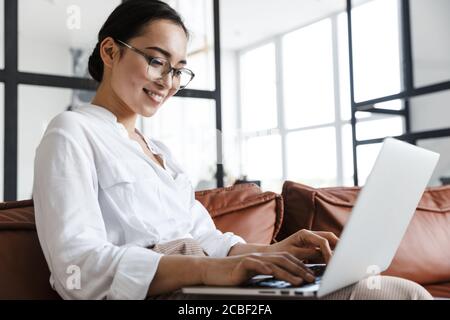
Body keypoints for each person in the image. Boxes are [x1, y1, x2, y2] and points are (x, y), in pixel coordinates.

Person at [32, 0, 432, 300]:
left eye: (178, 70)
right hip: (168, 293)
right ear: (110, 52)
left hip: (205, 285)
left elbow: (210, 239)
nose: (168, 82)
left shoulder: (162, 154)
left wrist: (272, 250)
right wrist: (210, 272)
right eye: (157, 62)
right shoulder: (71, 132)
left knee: (394, 290)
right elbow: (77, 267)